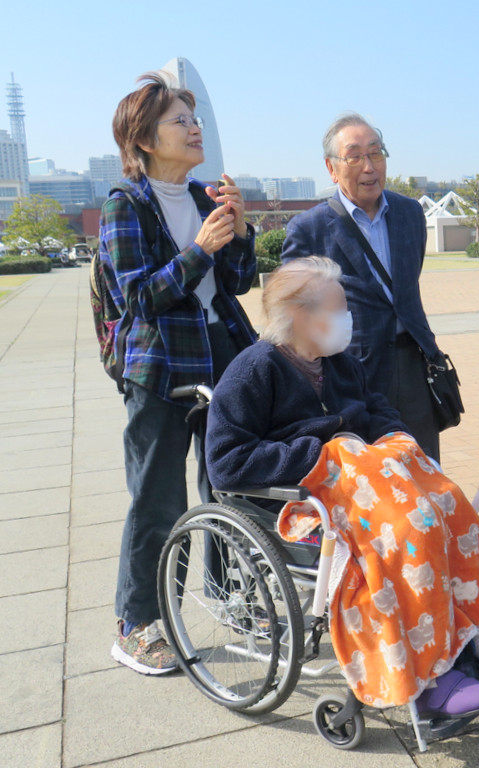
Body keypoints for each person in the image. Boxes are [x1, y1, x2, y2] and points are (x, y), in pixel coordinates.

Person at [206, 257, 479, 717]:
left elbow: (379, 410)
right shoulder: (254, 369)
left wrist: (394, 438)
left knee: (447, 506)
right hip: (306, 501)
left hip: (371, 485)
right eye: (339, 307)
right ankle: (428, 680)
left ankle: (474, 639)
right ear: (301, 315)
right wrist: (321, 456)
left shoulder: (340, 361)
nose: (349, 317)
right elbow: (225, 463)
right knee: (406, 534)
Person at [99, 72, 258, 674]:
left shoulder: (202, 198)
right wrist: (201, 251)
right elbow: (139, 298)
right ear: (143, 138)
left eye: (193, 119)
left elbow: (237, 283)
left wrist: (238, 233)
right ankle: (138, 623)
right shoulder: (126, 206)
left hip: (224, 351)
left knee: (227, 487)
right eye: (179, 120)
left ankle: (230, 598)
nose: (193, 129)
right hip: (160, 367)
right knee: (157, 499)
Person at [282, 113, 442, 460]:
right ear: (332, 168)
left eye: (376, 153)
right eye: (355, 156)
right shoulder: (308, 229)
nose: (369, 166)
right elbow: (293, 309)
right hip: (351, 372)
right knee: (367, 475)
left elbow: (406, 284)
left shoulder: (410, 213)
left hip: (414, 363)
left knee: (423, 465)